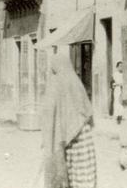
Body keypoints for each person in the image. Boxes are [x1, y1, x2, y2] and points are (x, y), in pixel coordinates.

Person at [41, 50, 96, 188]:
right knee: (84, 173)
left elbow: (50, 114)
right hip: (84, 133)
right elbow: (86, 110)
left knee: (69, 172)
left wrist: (48, 140)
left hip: (68, 137)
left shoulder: (56, 83)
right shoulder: (75, 80)